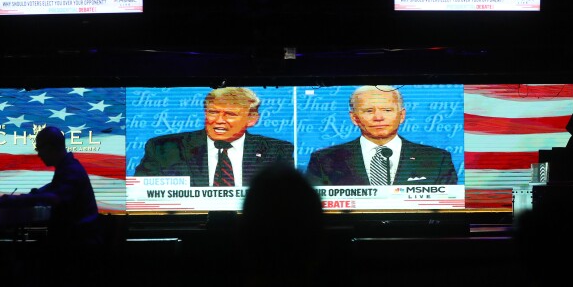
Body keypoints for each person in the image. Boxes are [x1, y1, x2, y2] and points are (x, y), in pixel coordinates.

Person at [0, 125, 100, 287]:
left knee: (24, 268)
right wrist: (25, 197)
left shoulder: (71, 170)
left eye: (40, 148)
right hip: (76, 241)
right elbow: (48, 191)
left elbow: (54, 197)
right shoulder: (68, 169)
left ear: (51, 147)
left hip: (75, 244)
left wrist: (15, 201)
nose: (38, 154)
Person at [134, 87, 294, 187]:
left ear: (252, 119)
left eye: (230, 114)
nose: (218, 120)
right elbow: (141, 194)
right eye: (213, 112)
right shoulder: (164, 148)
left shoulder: (276, 151)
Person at [305, 85, 457, 186]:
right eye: (369, 111)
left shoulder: (438, 159)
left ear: (402, 115)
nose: (378, 117)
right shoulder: (324, 160)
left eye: (387, 110)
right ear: (354, 118)